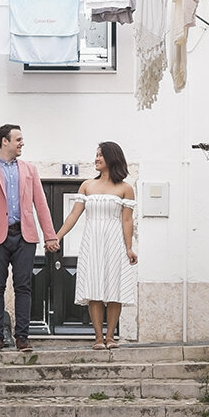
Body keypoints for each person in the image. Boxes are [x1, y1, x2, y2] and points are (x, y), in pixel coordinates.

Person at [0, 123, 59, 351]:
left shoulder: (30, 170)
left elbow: (41, 204)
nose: (22, 143)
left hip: (25, 236)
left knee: (24, 287)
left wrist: (49, 235)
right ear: (5, 141)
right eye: (18, 139)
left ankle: (22, 338)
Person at [55, 140, 137, 350]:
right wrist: (58, 236)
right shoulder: (87, 185)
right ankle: (98, 338)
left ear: (112, 158)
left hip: (115, 242)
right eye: (96, 154)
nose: (96, 159)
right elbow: (74, 214)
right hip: (92, 241)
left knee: (114, 289)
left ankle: (111, 337)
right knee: (94, 287)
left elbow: (127, 220)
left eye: (100, 155)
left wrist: (128, 248)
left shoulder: (125, 188)